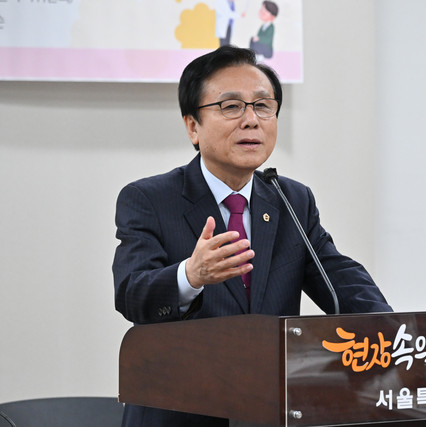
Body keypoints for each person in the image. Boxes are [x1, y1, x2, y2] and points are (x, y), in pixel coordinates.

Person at [112, 46, 392, 427]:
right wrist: (190, 276)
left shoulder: (292, 201)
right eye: (231, 107)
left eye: (262, 106)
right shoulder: (149, 199)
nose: (251, 120)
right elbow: (131, 294)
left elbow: (341, 282)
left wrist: (402, 334)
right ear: (193, 126)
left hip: (265, 412)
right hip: (179, 415)